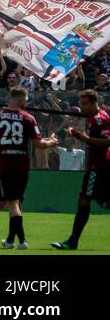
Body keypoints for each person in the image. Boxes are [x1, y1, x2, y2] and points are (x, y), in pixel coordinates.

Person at [0, 87, 58, 249]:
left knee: (13, 203)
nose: (26, 102)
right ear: (20, 99)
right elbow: (39, 144)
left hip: (5, 165)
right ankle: (10, 240)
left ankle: (22, 241)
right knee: (17, 202)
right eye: (26, 99)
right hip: (22, 165)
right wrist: (52, 141)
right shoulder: (28, 118)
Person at [52, 89, 110, 250]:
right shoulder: (96, 118)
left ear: (93, 102)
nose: (82, 107)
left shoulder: (99, 119)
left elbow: (107, 142)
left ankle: (73, 241)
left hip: (99, 167)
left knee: (84, 198)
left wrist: (82, 137)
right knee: (95, 200)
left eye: (84, 103)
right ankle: (73, 241)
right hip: (97, 166)